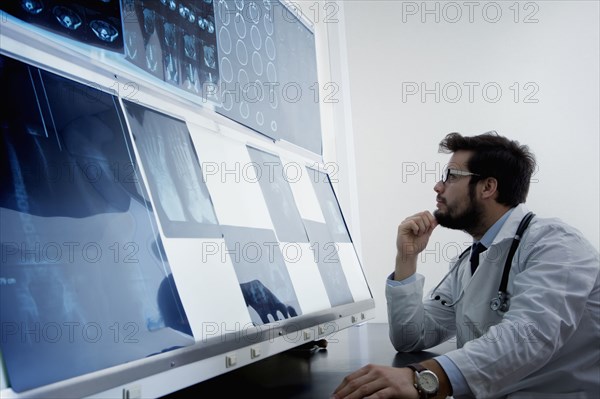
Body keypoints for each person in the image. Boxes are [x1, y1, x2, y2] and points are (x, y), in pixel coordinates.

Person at [333, 132, 600, 398]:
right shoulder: (471, 260)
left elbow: (529, 336)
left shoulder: (556, 244)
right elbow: (412, 337)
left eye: (451, 176)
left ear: (487, 187)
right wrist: (407, 257)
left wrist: (422, 378)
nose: (438, 187)